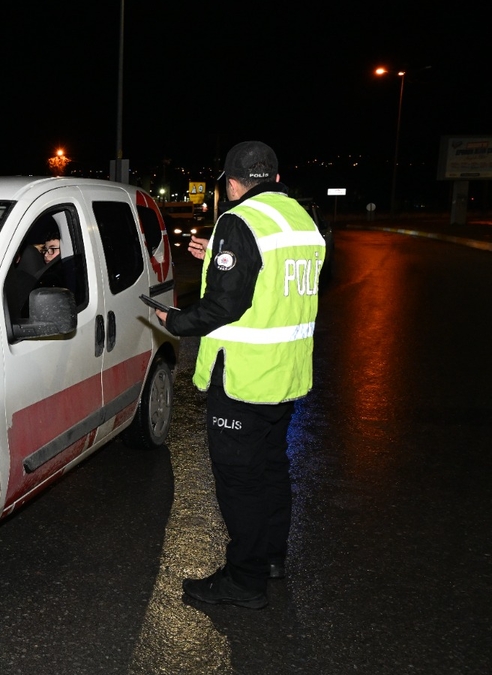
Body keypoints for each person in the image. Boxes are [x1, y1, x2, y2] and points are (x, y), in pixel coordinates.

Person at [153, 141, 326, 609]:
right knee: (272, 470)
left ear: (232, 183)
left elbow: (227, 304)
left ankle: (244, 579)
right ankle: (271, 558)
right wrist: (218, 253)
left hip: (244, 380)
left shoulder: (238, 221)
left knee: (239, 482)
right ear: (274, 175)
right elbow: (268, 277)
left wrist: (176, 322)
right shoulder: (300, 220)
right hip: (285, 377)